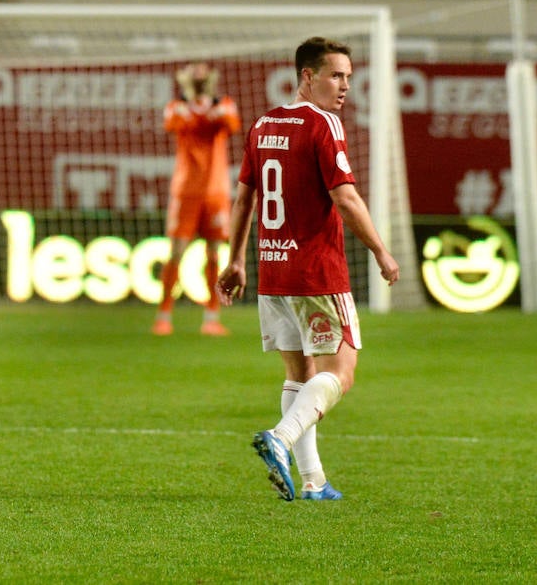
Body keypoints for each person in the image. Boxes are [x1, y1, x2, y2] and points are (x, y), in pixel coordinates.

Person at [217, 36, 400, 502]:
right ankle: (281, 436)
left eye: (349, 78)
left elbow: (244, 197)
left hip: (272, 271)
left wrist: (237, 259)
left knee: (299, 375)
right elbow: (345, 196)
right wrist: (380, 250)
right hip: (316, 272)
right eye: (336, 76)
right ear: (307, 76)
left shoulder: (263, 124)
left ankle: (313, 480)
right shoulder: (324, 124)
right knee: (343, 370)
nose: (344, 87)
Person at [152, 63, 241, 336]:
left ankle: (212, 316)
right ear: (186, 80)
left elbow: (231, 125)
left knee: (214, 253)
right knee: (176, 252)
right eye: (194, 77)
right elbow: (175, 124)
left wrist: (203, 115)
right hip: (186, 190)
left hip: (216, 191)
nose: (200, 81)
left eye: (203, 77)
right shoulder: (176, 106)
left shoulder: (225, 104)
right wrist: (202, 114)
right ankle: (164, 315)